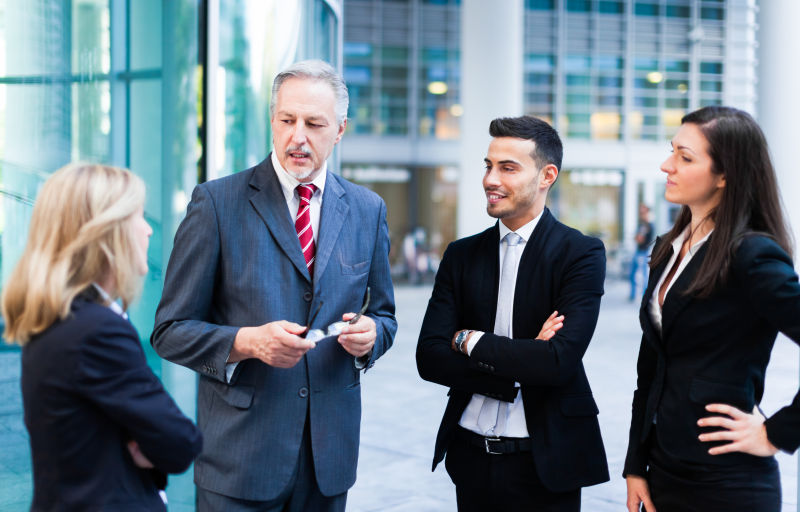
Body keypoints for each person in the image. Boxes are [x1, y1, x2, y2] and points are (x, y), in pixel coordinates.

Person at [151, 60, 397, 511]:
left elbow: (385, 315)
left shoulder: (368, 209)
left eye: (314, 124)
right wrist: (246, 342)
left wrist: (372, 336)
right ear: (272, 120)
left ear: (339, 130)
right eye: (287, 120)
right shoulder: (216, 203)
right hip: (240, 461)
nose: (297, 136)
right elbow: (169, 330)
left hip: (329, 460)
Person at [416, 115, 609, 511]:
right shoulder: (461, 255)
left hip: (546, 461)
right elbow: (429, 357)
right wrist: (522, 359)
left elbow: (557, 362)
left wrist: (469, 340)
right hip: (469, 454)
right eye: (488, 165)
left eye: (508, 168)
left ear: (546, 176)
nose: (490, 179)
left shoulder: (581, 254)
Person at [624, 106, 800, 512]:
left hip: (727, 481)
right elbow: (649, 367)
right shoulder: (667, 248)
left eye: (686, 158)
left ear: (725, 176)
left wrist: (778, 432)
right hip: (664, 471)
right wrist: (636, 464)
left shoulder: (752, 254)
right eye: (673, 151)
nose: (667, 165)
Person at [2, 163, 202, 511]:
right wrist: (145, 443)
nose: (148, 231)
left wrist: (140, 439)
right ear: (108, 232)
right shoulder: (98, 331)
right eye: (138, 216)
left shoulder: (55, 319)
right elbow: (181, 442)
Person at [629, 203, 654, 301]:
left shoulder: (647, 225)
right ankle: (633, 294)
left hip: (644, 252)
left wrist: (638, 237)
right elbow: (637, 238)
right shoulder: (642, 224)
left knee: (643, 275)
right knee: (633, 274)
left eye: (643, 211)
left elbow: (640, 239)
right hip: (638, 251)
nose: (641, 213)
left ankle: (645, 295)